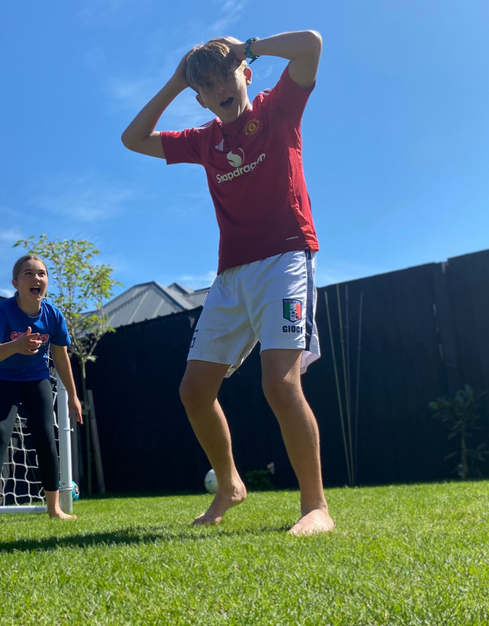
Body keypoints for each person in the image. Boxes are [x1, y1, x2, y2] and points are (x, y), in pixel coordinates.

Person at [120, 32, 333, 535]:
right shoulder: (202, 141)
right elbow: (133, 139)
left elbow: (311, 46)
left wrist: (251, 45)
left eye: (226, 75)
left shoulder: (279, 110)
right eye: (207, 85)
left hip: (286, 259)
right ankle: (230, 485)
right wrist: (177, 80)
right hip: (230, 276)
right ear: (200, 97)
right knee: (194, 391)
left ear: (246, 73)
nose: (219, 88)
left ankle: (315, 506)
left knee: (280, 382)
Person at [0, 254, 83, 527]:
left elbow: (61, 358)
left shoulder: (54, 316)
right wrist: (17, 345)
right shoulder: (2, 311)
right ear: (16, 282)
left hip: (36, 379)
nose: (36, 278)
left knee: (46, 437)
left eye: (42, 274)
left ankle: (54, 508)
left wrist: (73, 396)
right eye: (29, 274)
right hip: (3, 379)